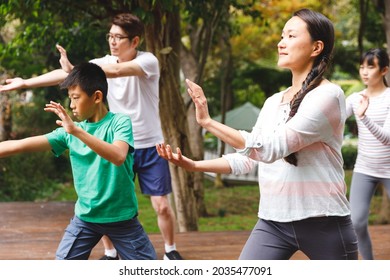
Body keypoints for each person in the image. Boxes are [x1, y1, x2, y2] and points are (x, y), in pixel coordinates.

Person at [156, 8, 358, 260]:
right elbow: (250, 158)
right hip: (273, 223)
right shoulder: (273, 102)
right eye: (282, 36)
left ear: (316, 47)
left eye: (291, 36)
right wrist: (194, 164)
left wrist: (207, 122)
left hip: (324, 221)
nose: (280, 43)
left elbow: (271, 148)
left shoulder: (328, 96)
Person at [0, 13, 183, 260]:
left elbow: (110, 75)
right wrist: (25, 84)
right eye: (110, 36)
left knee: (157, 208)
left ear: (135, 40)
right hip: (86, 218)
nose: (113, 41)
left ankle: (170, 251)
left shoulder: (146, 64)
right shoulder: (70, 128)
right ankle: (110, 253)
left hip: (145, 148)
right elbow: (20, 144)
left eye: (119, 37)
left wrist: (75, 127)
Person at [0, 62, 157, 260]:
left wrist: (76, 131)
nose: (72, 105)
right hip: (86, 219)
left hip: (123, 219)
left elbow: (118, 156)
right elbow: (19, 145)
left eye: (76, 98)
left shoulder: (119, 122)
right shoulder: (69, 133)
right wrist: (74, 131)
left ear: (97, 97)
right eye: (70, 99)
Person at [345, 48, 390, 260]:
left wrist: (364, 118)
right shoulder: (355, 98)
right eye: (362, 66)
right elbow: (332, 119)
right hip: (365, 169)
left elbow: (387, 138)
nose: (364, 72)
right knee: (356, 222)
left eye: (370, 67)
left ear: (384, 70)